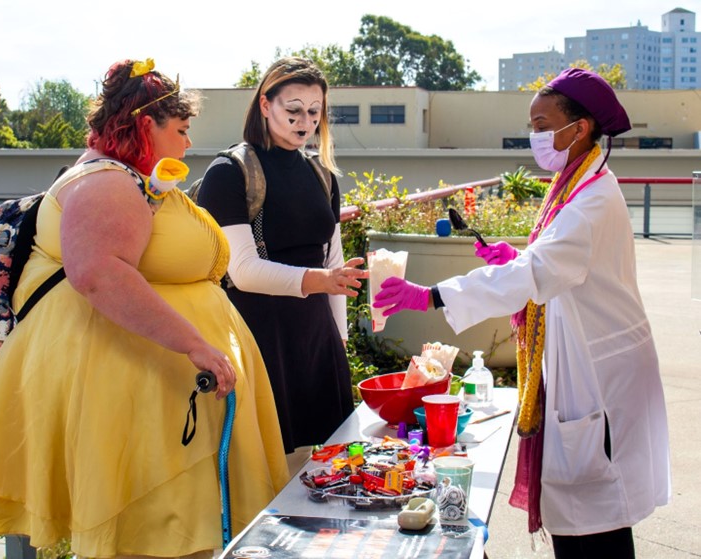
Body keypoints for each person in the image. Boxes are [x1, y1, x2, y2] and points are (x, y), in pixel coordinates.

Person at [0, 58, 289, 559]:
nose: (187, 143)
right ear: (145, 124)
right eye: (181, 129)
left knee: (168, 536)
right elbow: (99, 274)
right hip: (133, 387)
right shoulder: (106, 181)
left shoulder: (125, 178)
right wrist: (194, 343)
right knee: (150, 537)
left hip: (150, 383)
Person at [373, 68, 670, 558]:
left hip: (600, 375)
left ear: (581, 127)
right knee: (588, 516)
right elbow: (552, 265)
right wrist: (518, 260)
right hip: (589, 359)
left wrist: (430, 296)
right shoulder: (576, 186)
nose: (534, 136)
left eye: (542, 123)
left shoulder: (589, 200)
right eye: (531, 125)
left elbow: (540, 272)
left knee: (598, 526)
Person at [196, 57, 367, 462]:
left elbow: (334, 260)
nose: (303, 122)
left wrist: (338, 339)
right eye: (292, 110)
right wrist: (321, 281)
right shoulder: (230, 171)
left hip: (317, 339)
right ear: (265, 106)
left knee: (331, 466)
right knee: (269, 471)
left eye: (314, 111)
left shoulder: (322, 175)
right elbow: (242, 270)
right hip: (259, 337)